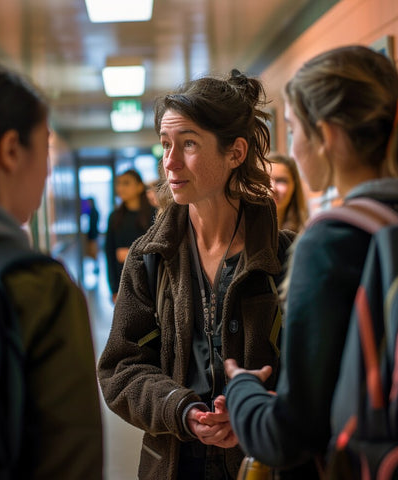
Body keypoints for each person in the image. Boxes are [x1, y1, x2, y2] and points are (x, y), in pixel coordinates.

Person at [223, 45, 398, 478]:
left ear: (328, 134)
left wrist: (242, 388)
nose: (293, 147)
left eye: (295, 130)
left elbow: (292, 435)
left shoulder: (332, 239)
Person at [97, 69, 294, 480]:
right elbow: (121, 369)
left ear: (235, 153)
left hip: (263, 462)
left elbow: (314, 373)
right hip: (175, 463)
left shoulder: (284, 257)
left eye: (188, 144)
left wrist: (251, 405)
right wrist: (182, 410)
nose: (169, 162)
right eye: (165, 145)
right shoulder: (149, 258)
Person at [0, 63, 103, 478]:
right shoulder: (38, 288)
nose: (48, 169)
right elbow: (71, 463)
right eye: (45, 146)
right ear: (11, 150)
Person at [104, 169, 156, 303]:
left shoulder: (154, 214)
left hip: (150, 282)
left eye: (126, 183)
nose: (120, 188)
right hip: (124, 282)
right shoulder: (114, 217)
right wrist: (114, 289)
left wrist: (131, 254)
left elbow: (160, 249)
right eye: (119, 184)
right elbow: (109, 254)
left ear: (139, 187)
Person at [268, 152, 308, 232]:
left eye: (281, 181)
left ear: (294, 186)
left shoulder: (307, 233)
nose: (272, 188)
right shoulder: (242, 232)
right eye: (265, 180)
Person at [85, 197, 100, 272]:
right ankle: (95, 266)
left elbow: (93, 224)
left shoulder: (93, 212)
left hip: (93, 234)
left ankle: (96, 267)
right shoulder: (93, 211)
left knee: (94, 251)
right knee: (93, 251)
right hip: (93, 234)